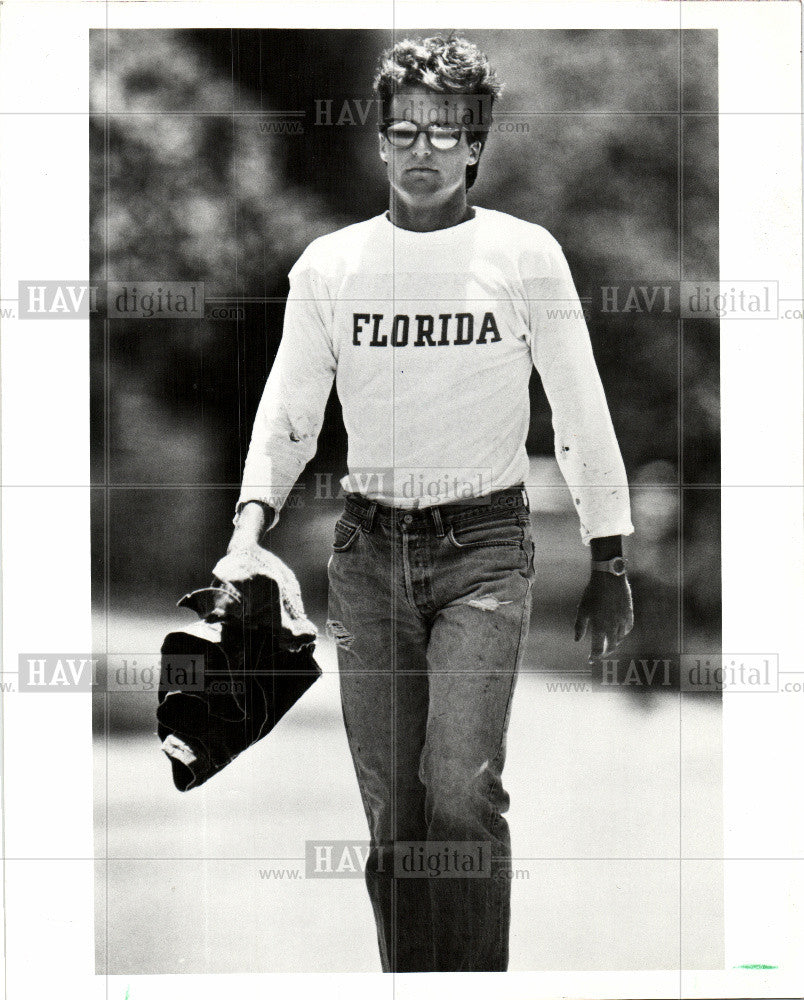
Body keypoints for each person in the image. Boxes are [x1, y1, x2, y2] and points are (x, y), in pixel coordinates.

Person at [224, 33, 635, 973]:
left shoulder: (524, 256)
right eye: (404, 129)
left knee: (458, 788)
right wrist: (248, 534)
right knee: (392, 813)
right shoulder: (330, 267)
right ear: (378, 141)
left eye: (445, 133)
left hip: (485, 549)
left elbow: (578, 407)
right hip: (369, 558)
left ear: (476, 142)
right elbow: (289, 411)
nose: (422, 150)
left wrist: (611, 555)